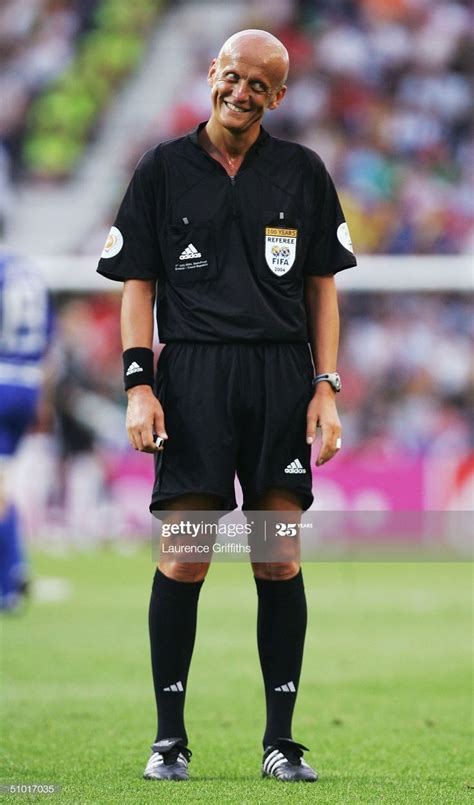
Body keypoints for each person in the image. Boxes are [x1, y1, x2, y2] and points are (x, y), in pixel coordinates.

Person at [97, 29, 356, 783]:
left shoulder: (302, 173)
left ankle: (280, 740)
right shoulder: (162, 168)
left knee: (277, 557)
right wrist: (138, 384)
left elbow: (322, 289)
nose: (240, 92)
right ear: (212, 73)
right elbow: (137, 281)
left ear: (279, 97)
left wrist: (327, 388)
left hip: (281, 379)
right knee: (185, 554)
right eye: (232, 76)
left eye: (259, 85)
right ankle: (169, 738)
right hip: (194, 381)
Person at [0, 252, 53, 611]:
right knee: (3, 482)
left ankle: (8, 584)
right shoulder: (28, 271)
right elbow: (49, 340)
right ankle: (16, 566)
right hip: (28, 383)